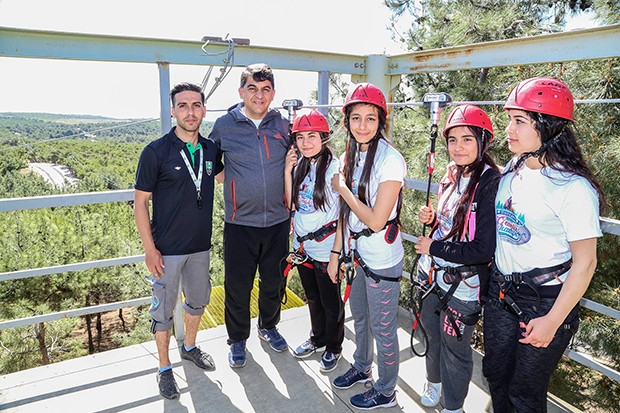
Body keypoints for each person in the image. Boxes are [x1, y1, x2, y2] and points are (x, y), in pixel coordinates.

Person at [482, 77, 604, 412]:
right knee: (495, 376)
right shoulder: (514, 167)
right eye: (509, 118)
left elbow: (586, 263)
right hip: (502, 294)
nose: (509, 128)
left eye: (519, 121)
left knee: (525, 394)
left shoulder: (572, 188)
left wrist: (551, 321)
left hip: (546, 302)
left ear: (547, 127)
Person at [133, 82, 223, 399]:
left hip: (200, 247)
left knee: (198, 301)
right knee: (163, 311)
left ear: (203, 110)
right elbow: (140, 202)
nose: (190, 111)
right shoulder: (155, 152)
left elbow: (227, 176)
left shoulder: (211, 150)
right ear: (173, 111)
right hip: (166, 251)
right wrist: (150, 249)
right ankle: (163, 367)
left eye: (196, 105)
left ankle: (189, 346)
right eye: (182, 106)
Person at [414, 105, 500, 413]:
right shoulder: (452, 175)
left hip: (463, 285)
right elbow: (454, 225)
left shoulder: (490, 184)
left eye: (467, 139)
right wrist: (434, 218)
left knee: (456, 351)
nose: (458, 147)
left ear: (482, 141)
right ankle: (433, 383)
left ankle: (453, 407)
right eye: (452, 140)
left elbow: (483, 248)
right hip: (433, 276)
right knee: (431, 337)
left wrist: (432, 248)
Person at [329, 83, 406, 410]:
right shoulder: (350, 155)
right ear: (347, 121)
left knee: (383, 326)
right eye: (356, 118)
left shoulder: (391, 160)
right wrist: (336, 254)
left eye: (370, 119)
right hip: (358, 254)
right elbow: (347, 215)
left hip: (383, 257)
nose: (362, 126)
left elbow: (376, 220)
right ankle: (362, 366)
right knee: (359, 315)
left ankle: (386, 390)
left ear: (381, 122)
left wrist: (343, 189)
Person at [209, 63, 291, 368]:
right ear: (241, 91)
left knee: (273, 281)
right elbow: (212, 164)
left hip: (278, 222)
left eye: (265, 89)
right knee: (238, 285)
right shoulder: (224, 125)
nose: (259, 95)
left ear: (273, 93)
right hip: (239, 223)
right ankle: (238, 339)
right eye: (253, 88)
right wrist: (233, 185)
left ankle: (268, 327)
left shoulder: (283, 125)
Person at [284, 110, 345, 372]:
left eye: (312, 136)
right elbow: (292, 204)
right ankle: (317, 338)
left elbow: (344, 213)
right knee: (313, 297)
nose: (305, 142)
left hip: (326, 247)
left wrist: (336, 254)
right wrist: (288, 171)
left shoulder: (335, 168)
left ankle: (334, 346)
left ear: (324, 137)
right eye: (300, 137)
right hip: (304, 246)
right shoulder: (301, 165)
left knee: (331, 302)